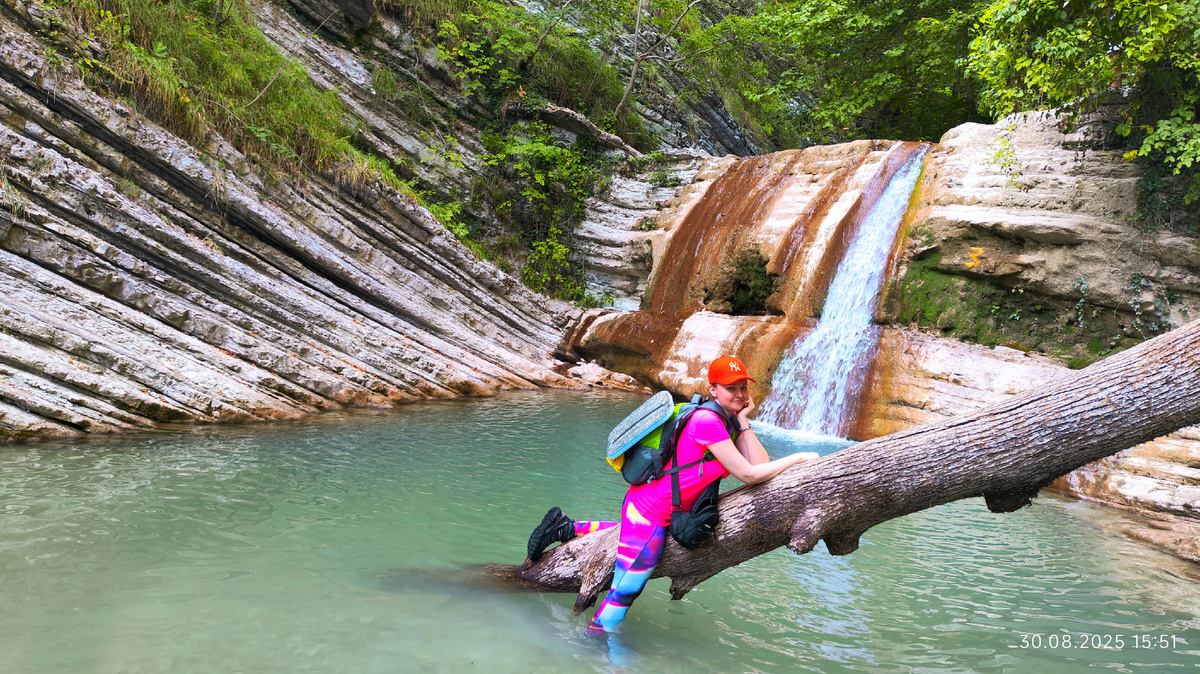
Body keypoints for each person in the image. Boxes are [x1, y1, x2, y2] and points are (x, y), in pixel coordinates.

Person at [525, 355, 820, 634]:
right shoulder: (707, 422)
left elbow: (761, 465)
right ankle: (595, 640)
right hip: (650, 513)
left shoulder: (727, 421)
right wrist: (798, 458)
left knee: (627, 539)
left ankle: (567, 527)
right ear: (713, 390)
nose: (740, 394)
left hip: (650, 509)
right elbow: (749, 475)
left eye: (743, 387)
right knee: (626, 590)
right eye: (731, 388)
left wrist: (743, 421)